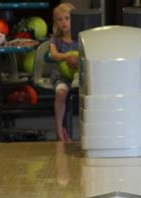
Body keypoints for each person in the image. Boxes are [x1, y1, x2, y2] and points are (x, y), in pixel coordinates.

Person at [49, 3, 79, 142]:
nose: (64, 22)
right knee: (60, 92)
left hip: (78, 76)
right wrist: (69, 56)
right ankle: (59, 129)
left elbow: (86, 55)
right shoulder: (55, 39)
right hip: (61, 76)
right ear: (56, 22)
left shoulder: (80, 39)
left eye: (67, 18)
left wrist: (77, 59)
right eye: (60, 19)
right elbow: (54, 55)